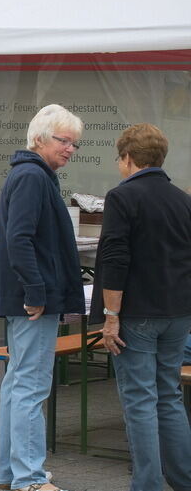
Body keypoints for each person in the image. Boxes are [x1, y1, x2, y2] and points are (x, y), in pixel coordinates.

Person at [0, 104, 85, 491]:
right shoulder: (32, 177)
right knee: (30, 385)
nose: (70, 149)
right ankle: (28, 476)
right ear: (40, 138)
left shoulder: (30, 174)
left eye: (74, 143)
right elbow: (20, 238)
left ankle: (11, 472)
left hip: (25, 296)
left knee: (17, 383)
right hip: (32, 300)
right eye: (64, 141)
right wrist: (37, 291)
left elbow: (21, 238)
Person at [90, 123, 191, 491]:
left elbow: (115, 258)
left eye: (120, 158)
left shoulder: (122, 197)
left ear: (128, 158)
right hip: (177, 313)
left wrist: (110, 317)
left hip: (137, 313)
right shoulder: (183, 199)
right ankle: (183, 479)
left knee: (140, 400)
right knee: (168, 396)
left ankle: (147, 484)